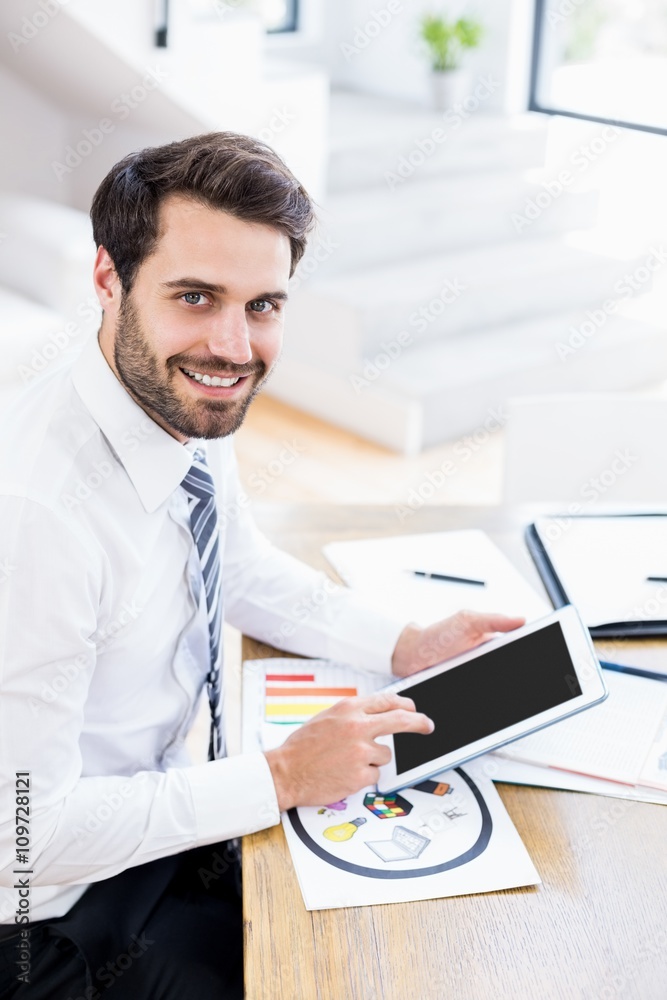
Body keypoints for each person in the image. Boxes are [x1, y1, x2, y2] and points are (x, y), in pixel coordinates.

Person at [0, 132, 523, 999]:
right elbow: (24, 834)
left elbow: (234, 565)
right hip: (56, 918)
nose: (235, 348)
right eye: (196, 297)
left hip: (168, 817)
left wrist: (403, 643)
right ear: (107, 279)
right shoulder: (38, 518)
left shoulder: (171, 402)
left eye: (263, 305)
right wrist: (281, 776)